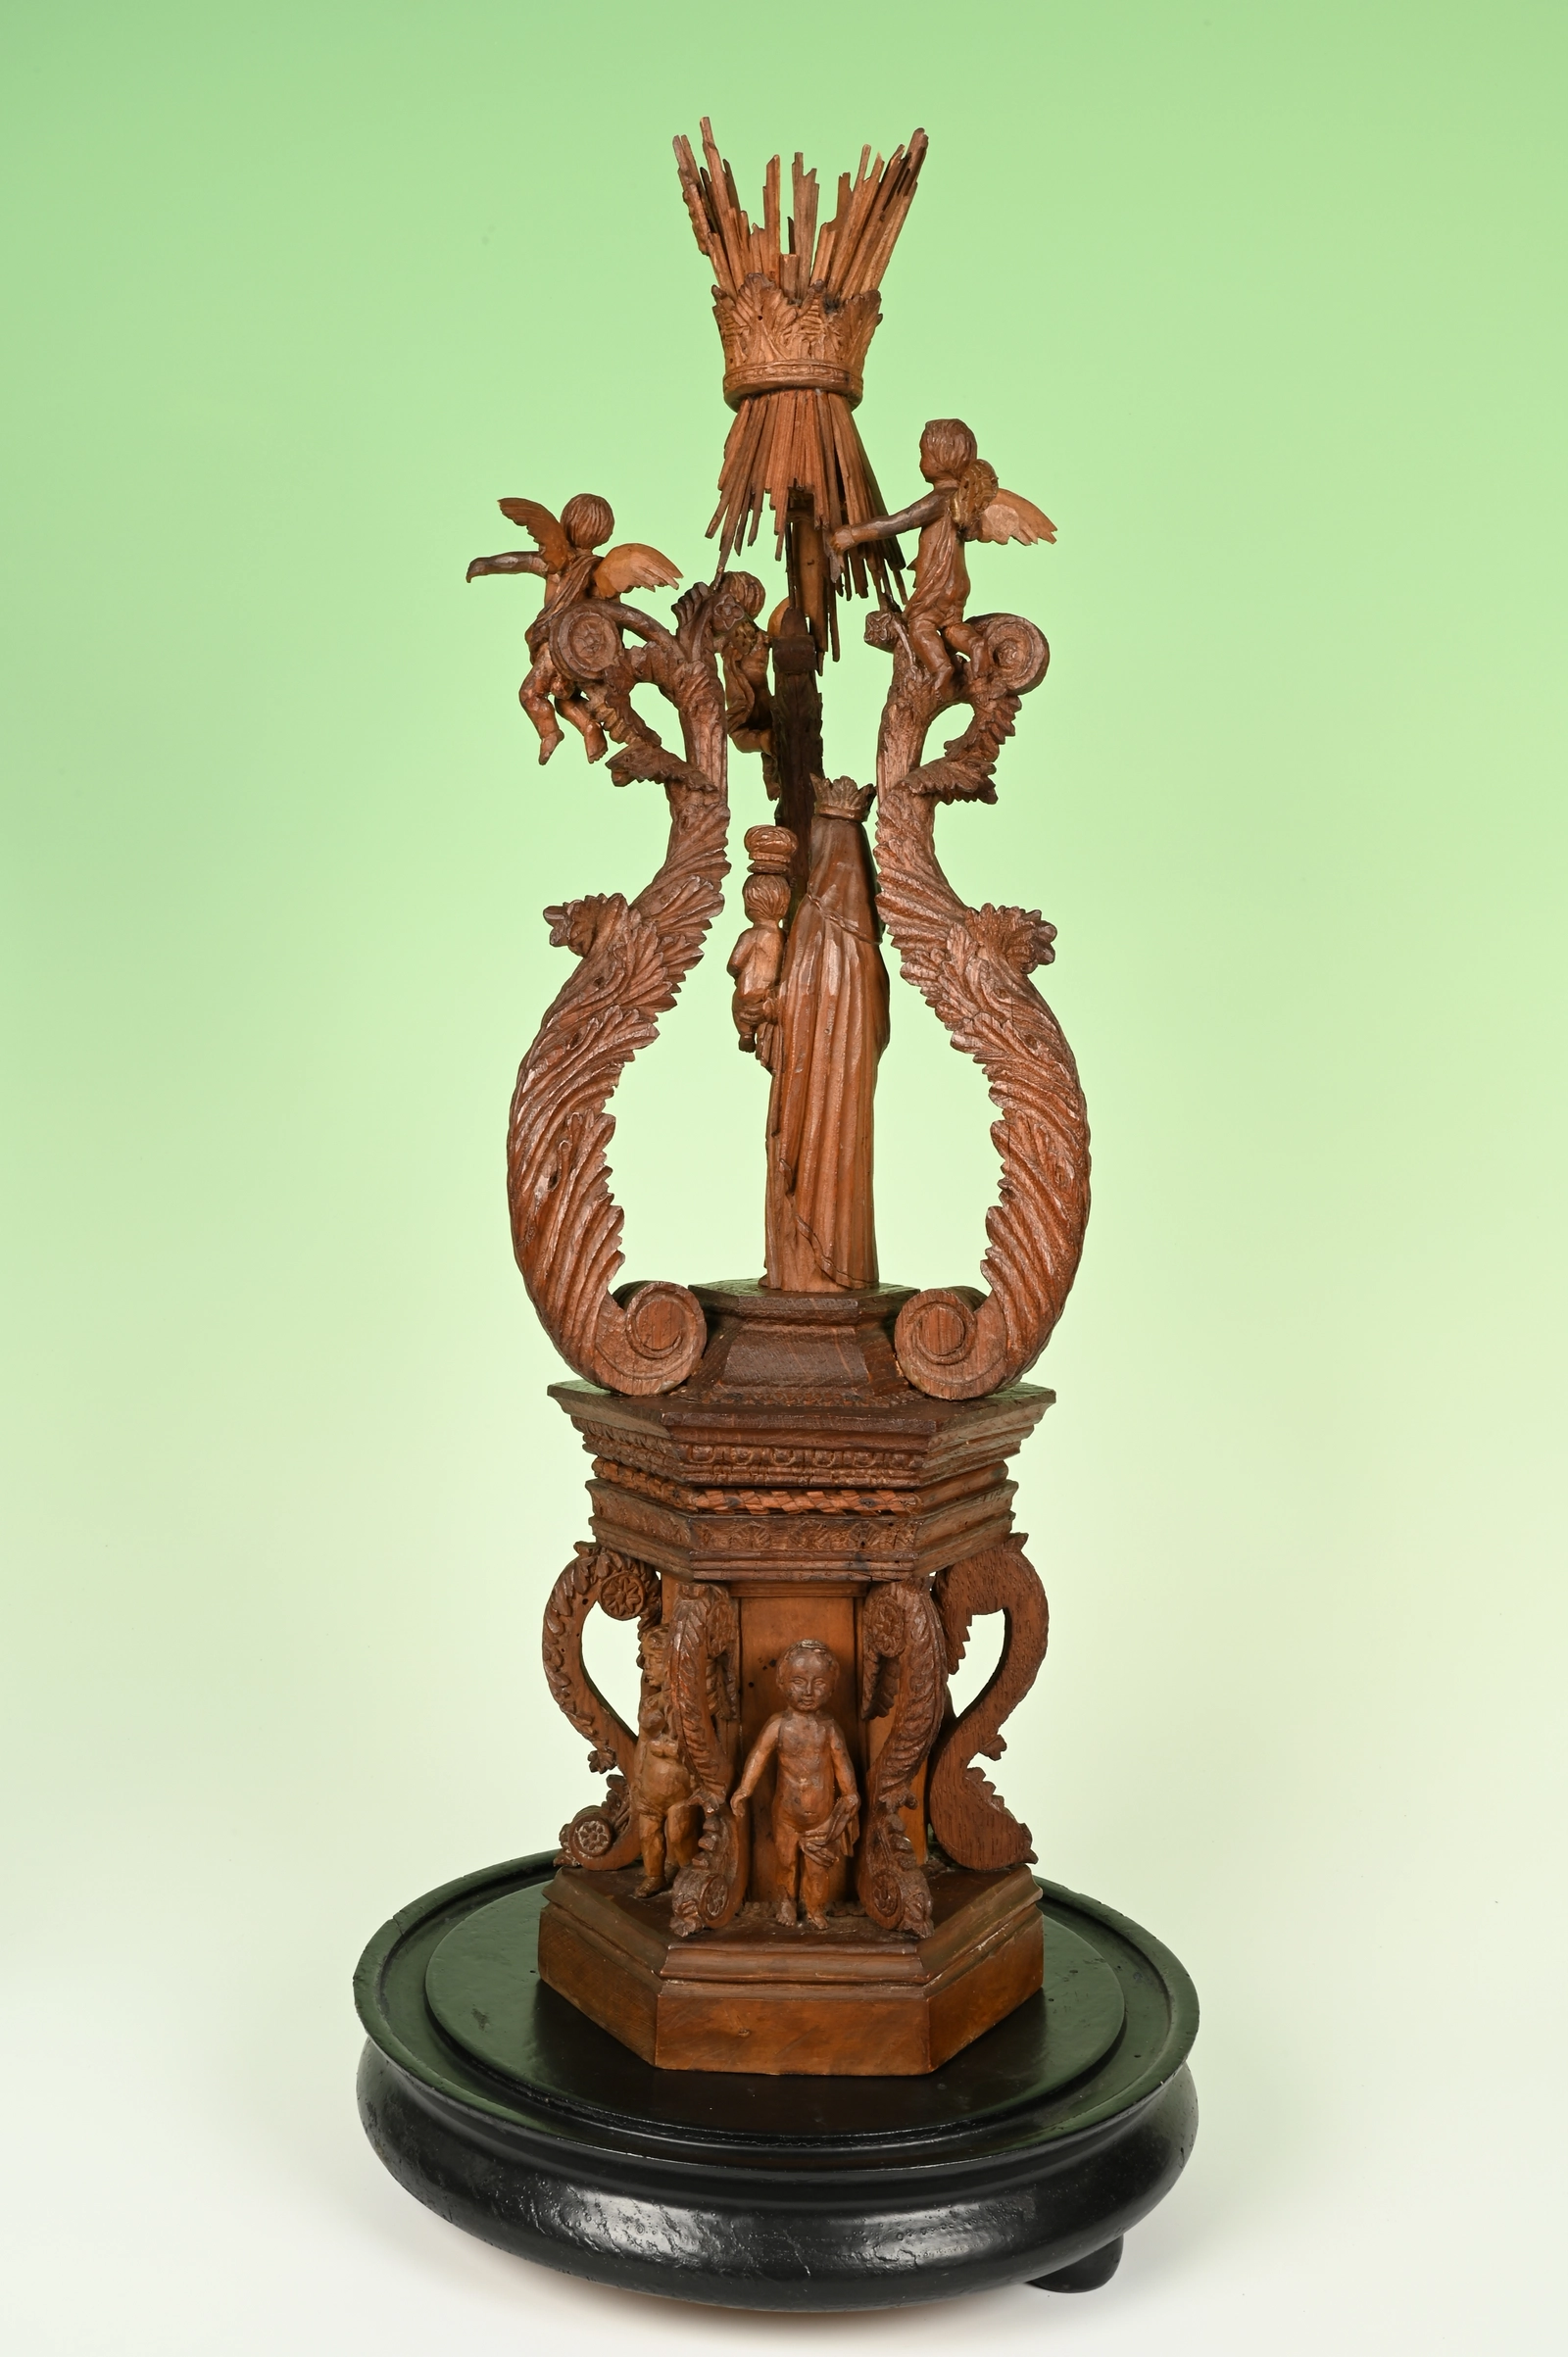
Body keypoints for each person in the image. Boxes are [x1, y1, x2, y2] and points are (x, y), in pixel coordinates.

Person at [731, 1640, 860, 1931]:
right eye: (798, 1682)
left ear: (832, 1687)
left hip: (822, 1818)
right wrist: (744, 1789)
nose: (809, 1691)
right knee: (786, 1862)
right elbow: (758, 1755)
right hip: (786, 1816)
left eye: (819, 1683)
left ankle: (814, 1909)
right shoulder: (778, 1725)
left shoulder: (828, 1728)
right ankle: (786, 1902)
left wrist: (851, 1794)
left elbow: (842, 1763)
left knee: (817, 1871)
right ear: (782, 1683)